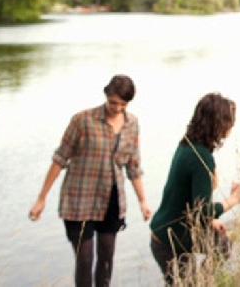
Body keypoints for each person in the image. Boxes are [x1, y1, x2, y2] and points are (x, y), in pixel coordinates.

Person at [29, 74, 152, 287]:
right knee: (84, 259)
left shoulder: (132, 124)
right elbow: (60, 158)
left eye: (123, 104)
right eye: (113, 102)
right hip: (79, 200)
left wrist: (142, 201)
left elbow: (133, 166)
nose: (117, 108)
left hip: (111, 200)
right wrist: (41, 198)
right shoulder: (82, 120)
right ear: (106, 96)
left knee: (106, 258)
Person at [149, 92, 240, 284]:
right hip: (170, 242)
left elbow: (188, 200)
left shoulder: (188, 145)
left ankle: (202, 281)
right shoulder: (201, 157)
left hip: (168, 233)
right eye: (230, 122)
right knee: (220, 249)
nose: (231, 127)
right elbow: (200, 212)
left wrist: (210, 222)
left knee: (223, 245)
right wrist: (234, 199)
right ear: (219, 124)